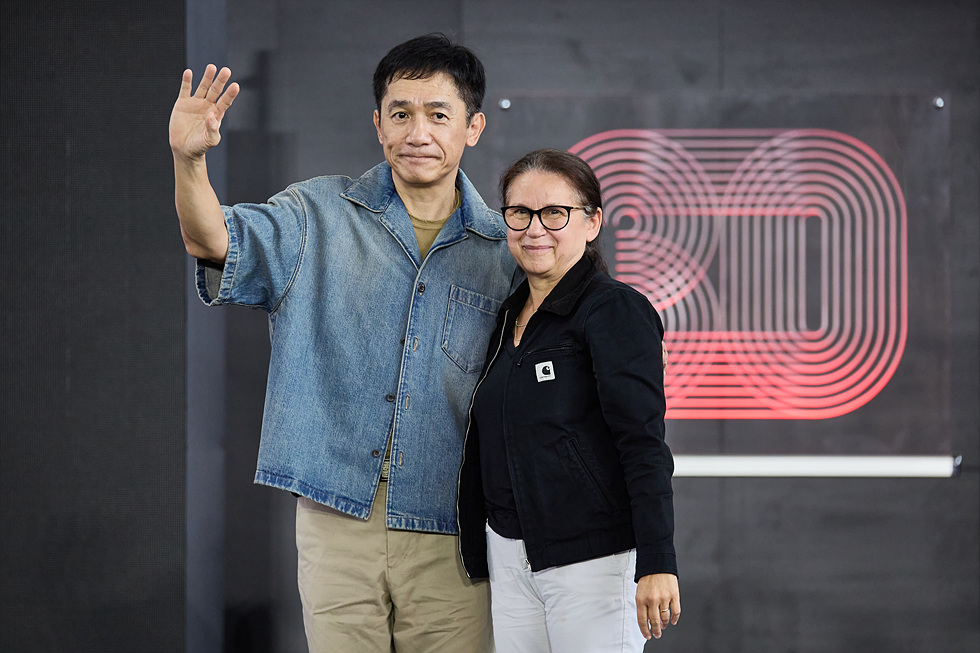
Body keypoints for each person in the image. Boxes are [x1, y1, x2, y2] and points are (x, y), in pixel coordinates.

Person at [169, 34, 516, 652]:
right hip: (337, 512)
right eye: (401, 113)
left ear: (474, 127)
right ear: (378, 124)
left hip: (454, 522)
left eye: (439, 115)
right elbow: (212, 240)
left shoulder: (504, 252)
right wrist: (188, 161)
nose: (417, 132)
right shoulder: (315, 213)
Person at [457, 148, 681, 652]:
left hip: (594, 561)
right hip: (509, 558)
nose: (535, 229)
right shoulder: (506, 317)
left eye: (555, 213)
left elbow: (643, 443)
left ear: (592, 222)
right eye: (520, 213)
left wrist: (657, 561)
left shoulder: (614, 310)